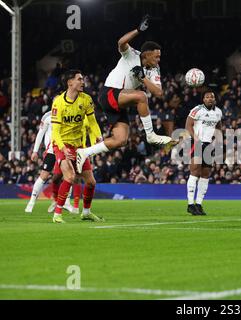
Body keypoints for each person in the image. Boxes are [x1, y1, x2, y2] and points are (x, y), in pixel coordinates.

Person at [76, 15, 177, 173]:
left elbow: (158, 92)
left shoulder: (154, 70)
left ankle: (84, 152)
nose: (159, 60)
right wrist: (138, 30)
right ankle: (151, 135)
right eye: (156, 56)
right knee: (141, 96)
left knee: (120, 140)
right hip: (109, 93)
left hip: (120, 103)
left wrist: (143, 79)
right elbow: (121, 42)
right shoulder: (132, 54)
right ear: (146, 54)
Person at [50, 69, 103, 223]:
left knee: (91, 182)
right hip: (62, 144)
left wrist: (98, 137)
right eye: (79, 79)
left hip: (79, 146)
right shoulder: (58, 103)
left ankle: (86, 212)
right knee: (70, 176)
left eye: (82, 79)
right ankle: (57, 214)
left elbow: (92, 122)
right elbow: (55, 132)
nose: (82, 82)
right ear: (70, 82)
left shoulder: (86, 99)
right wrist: (63, 148)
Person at [25, 110, 74, 213]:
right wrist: (35, 151)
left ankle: (67, 202)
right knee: (44, 175)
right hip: (52, 151)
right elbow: (40, 133)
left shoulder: (69, 114)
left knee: (68, 175)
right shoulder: (47, 116)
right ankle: (32, 201)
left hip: (64, 150)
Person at [185, 89, 222, 216]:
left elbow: (218, 127)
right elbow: (188, 125)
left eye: (211, 96)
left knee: (206, 174)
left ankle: (199, 204)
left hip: (209, 145)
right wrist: (196, 139)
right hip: (197, 143)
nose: (209, 98)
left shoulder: (218, 112)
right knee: (195, 172)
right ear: (203, 99)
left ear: (214, 99)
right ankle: (190, 204)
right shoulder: (197, 110)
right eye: (207, 97)